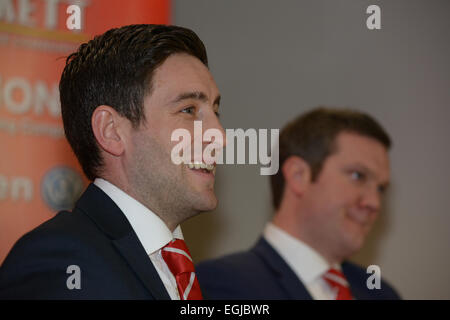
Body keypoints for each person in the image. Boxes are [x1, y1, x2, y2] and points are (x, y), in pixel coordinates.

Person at [0, 24, 225, 299]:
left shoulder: (175, 271)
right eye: (188, 110)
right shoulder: (60, 260)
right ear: (111, 131)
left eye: (215, 110)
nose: (220, 136)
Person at [196, 107, 401, 300]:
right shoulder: (217, 285)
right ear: (298, 175)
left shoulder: (381, 293)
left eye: (381, 189)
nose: (374, 203)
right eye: (358, 175)